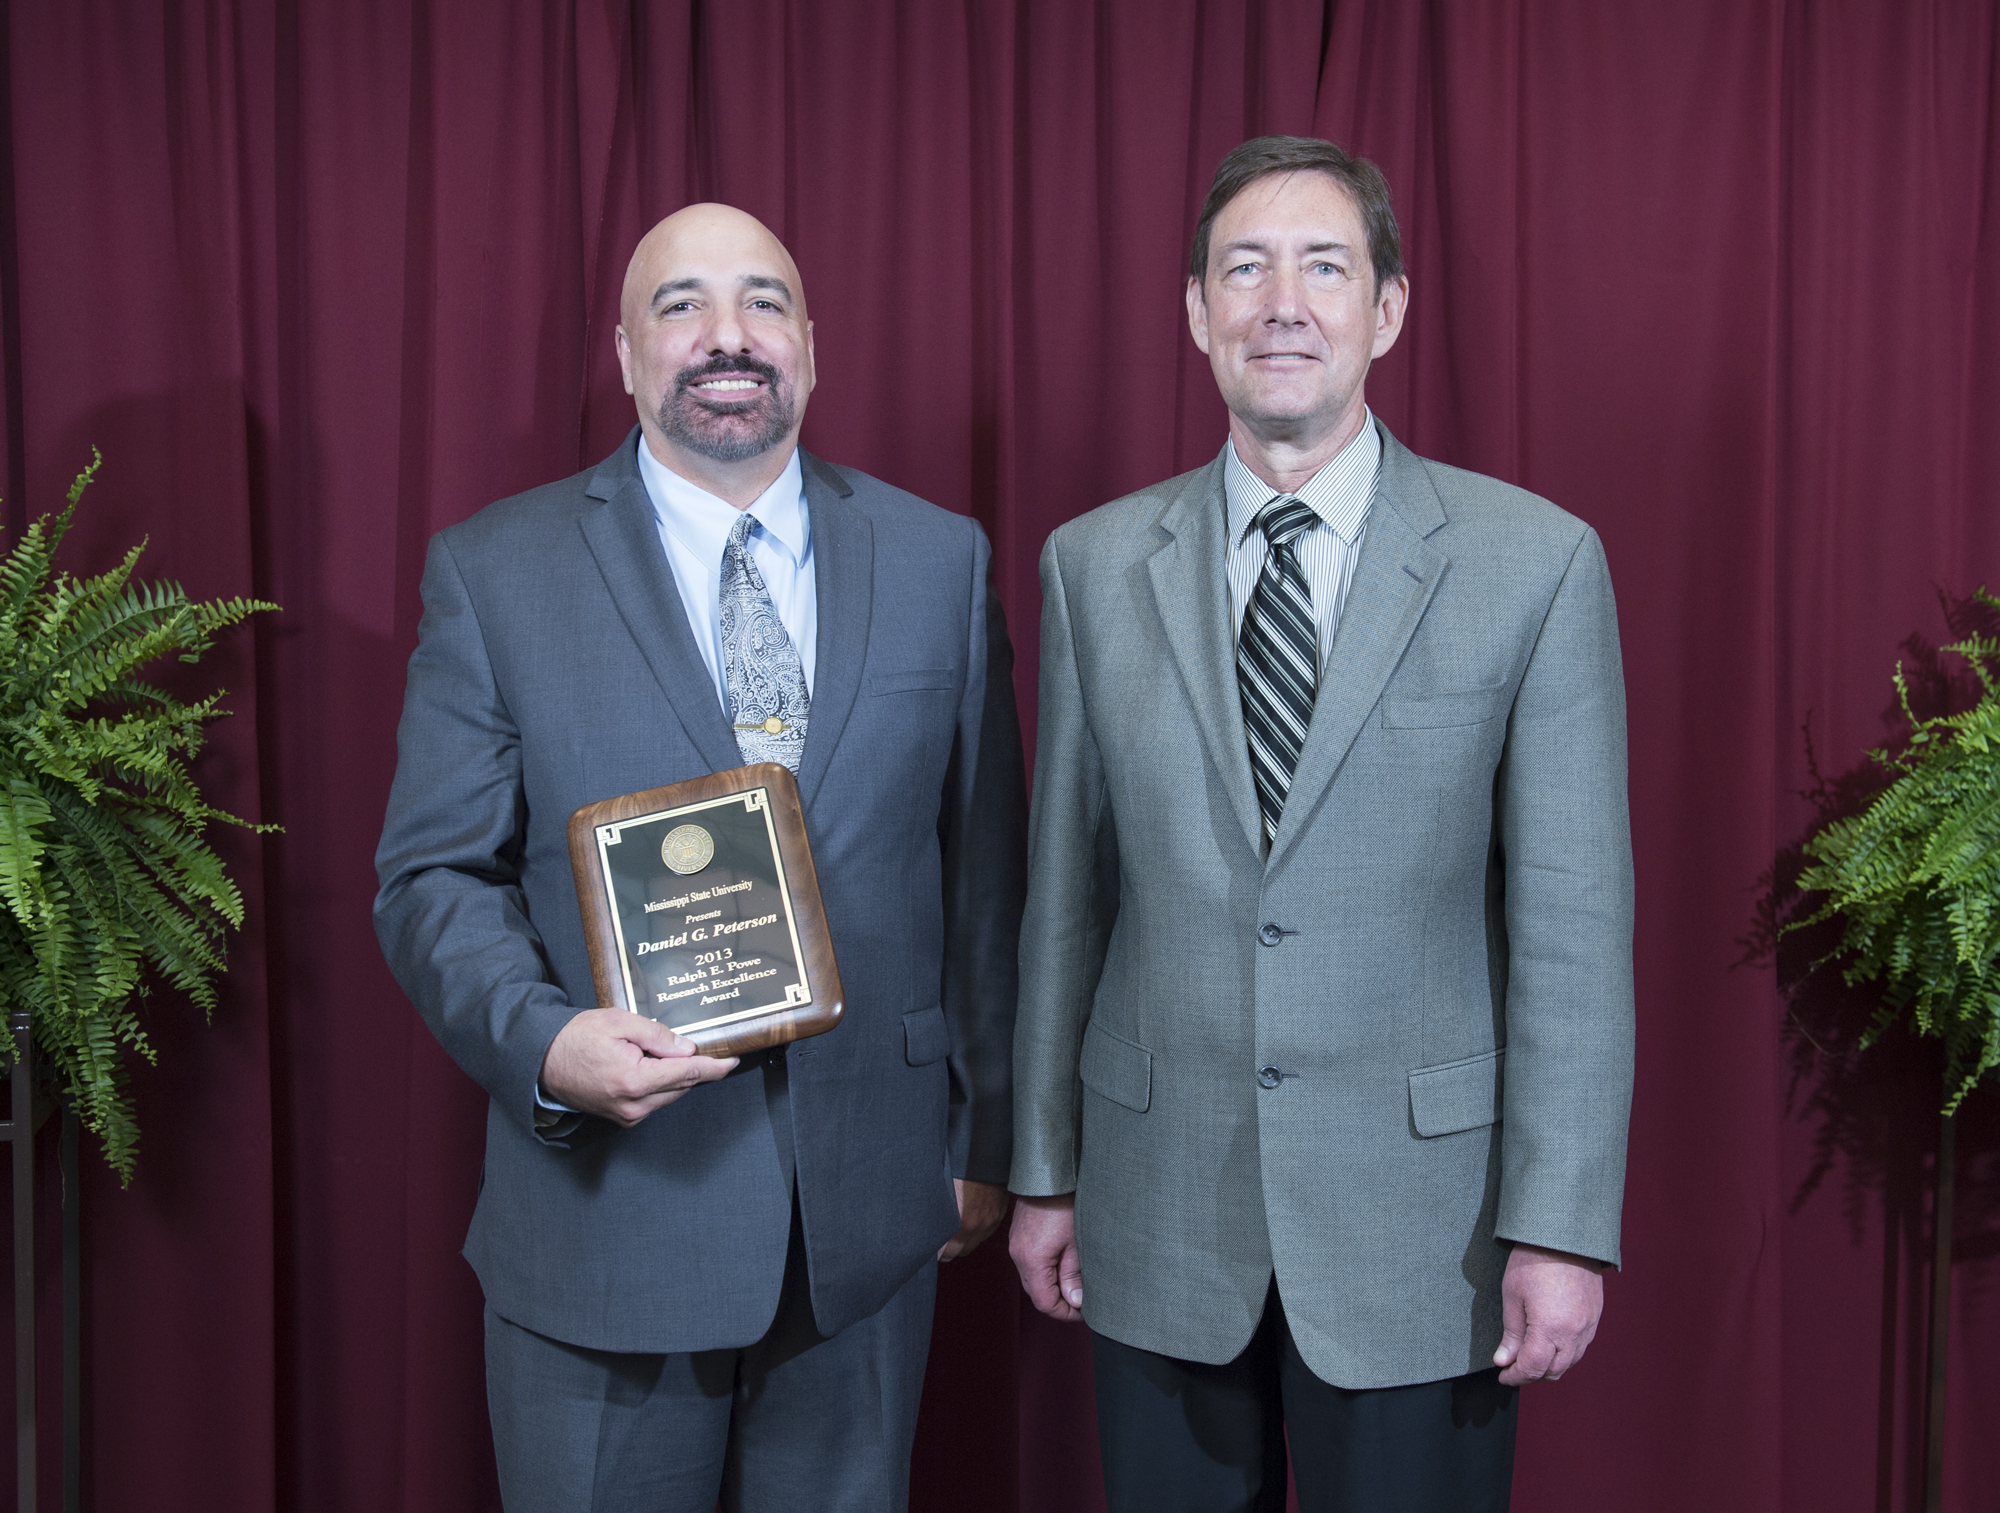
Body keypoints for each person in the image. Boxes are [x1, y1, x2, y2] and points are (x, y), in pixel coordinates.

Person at [1006, 136, 1635, 1513]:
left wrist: (1561, 1225)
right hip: (1159, 1208)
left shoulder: (1536, 565)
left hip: (1429, 1236)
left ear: (1388, 311)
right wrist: (1043, 1171)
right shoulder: (1091, 567)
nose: (1281, 302)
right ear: (1195, 313)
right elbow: (1067, 903)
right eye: (1245, 267)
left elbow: (1574, 933)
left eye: (1325, 267)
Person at [374, 203, 1025, 1513]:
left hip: (867, 1224)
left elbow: (985, 878)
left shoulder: (939, 559)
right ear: (624, 355)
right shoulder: (496, 571)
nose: (728, 335)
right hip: (608, 1219)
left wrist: (982, 1131)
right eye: (681, 305)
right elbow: (433, 876)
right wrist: (544, 1043)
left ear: (813, 348)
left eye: (764, 301)